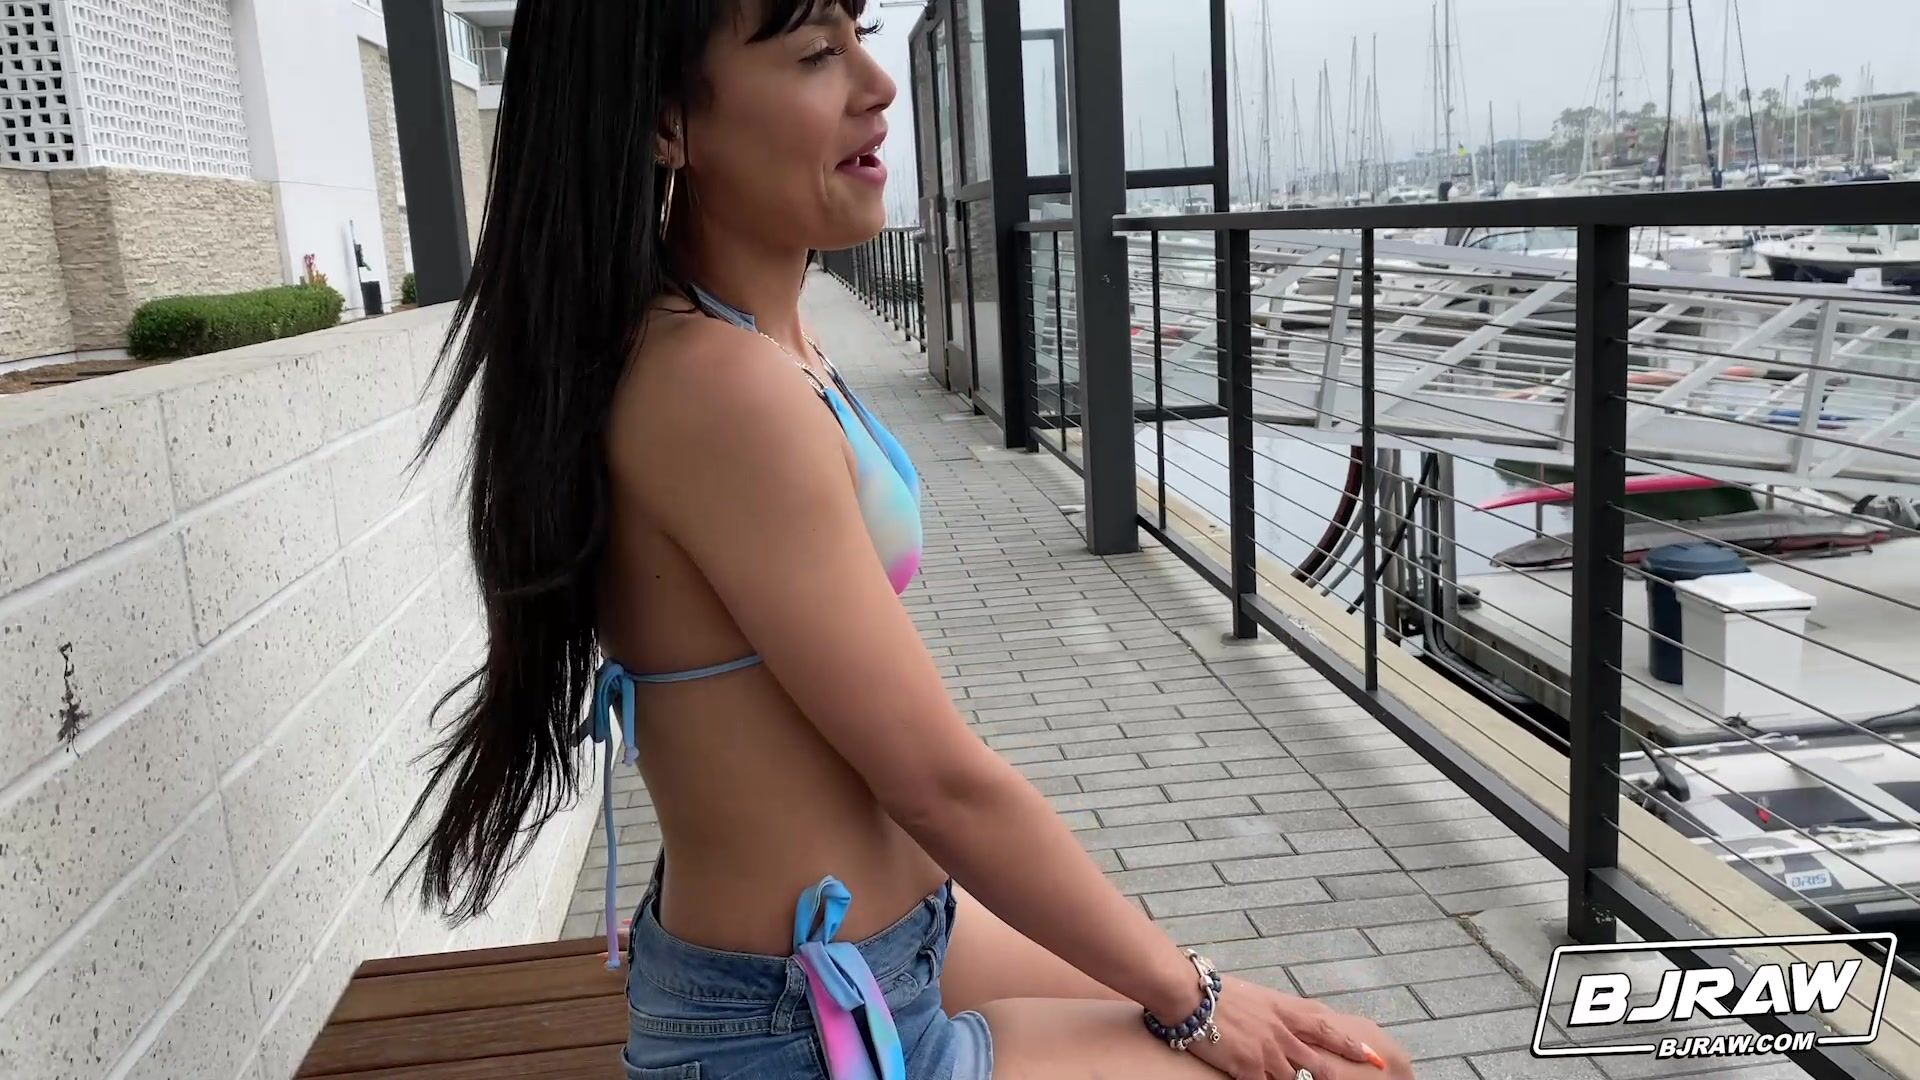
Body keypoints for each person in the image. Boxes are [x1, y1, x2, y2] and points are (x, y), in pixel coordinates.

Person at [390, 2, 1417, 1079]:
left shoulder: (762, 338)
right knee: (1328, 1069)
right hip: (799, 1029)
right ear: (664, 122)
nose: (876, 88)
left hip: (892, 955)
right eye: (815, 54)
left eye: (860, 35)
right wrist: (1194, 997)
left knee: (1345, 1058)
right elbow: (937, 782)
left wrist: (1186, 988)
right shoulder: (719, 388)